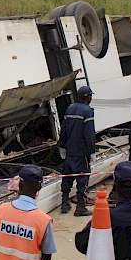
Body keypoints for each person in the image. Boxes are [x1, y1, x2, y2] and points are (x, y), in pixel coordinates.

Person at [0, 165, 56, 260]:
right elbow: (47, 255)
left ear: (19, 185)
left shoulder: (2, 211)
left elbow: (1, 237)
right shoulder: (43, 220)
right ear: (38, 189)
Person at [58, 86, 96, 216]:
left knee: (67, 177)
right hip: (82, 152)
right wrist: (92, 151)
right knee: (82, 179)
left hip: (70, 150)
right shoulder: (88, 111)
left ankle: (64, 203)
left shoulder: (70, 108)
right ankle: (80, 207)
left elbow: (63, 129)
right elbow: (89, 133)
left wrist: (62, 145)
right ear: (88, 97)